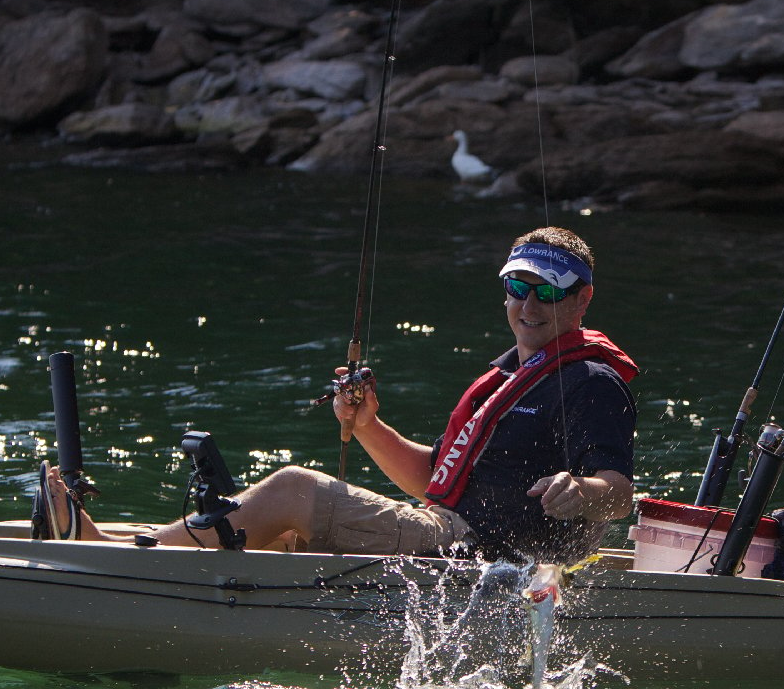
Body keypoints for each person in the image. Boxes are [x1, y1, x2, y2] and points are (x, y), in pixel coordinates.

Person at [41, 226, 637, 564]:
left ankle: (120, 554)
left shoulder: (591, 384)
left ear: (583, 299)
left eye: (548, 292)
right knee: (282, 530)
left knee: (297, 489)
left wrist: (581, 489)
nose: (529, 306)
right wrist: (370, 425)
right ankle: (120, 542)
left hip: (483, 562)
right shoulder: (510, 375)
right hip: (449, 533)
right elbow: (434, 478)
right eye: (517, 287)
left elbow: (617, 494)